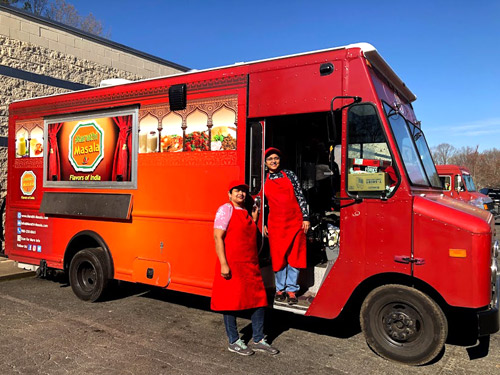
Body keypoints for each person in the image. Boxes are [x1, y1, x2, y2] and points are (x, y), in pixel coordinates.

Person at [211, 180, 279, 356]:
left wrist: (254, 220)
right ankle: (234, 340)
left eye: (243, 191)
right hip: (232, 264)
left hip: (249, 265)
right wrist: (224, 264)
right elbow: (218, 237)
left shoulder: (247, 213)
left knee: (259, 300)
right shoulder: (225, 209)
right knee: (230, 303)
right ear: (229, 194)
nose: (240, 194)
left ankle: (258, 339)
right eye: (237, 191)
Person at [263, 148, 310, 305]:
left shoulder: (289, 175)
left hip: (295, 221)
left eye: (276, 158)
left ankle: (291, 290)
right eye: (270, 159)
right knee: (279, 257)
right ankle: (279, 289)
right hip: (275, 224)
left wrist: (305, 217)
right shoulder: (263, 178)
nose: (274, 161)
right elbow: (262, 204)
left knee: (294, 255)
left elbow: (300, 196)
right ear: (265, 162)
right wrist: (263, 222)